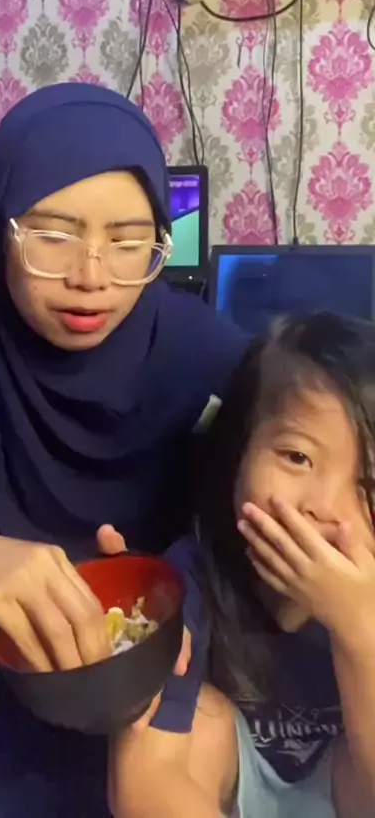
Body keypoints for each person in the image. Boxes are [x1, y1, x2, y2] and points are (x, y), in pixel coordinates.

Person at [0, 82, 249, 817]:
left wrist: (185, 573)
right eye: (53, 235)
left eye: (128, 241)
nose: (92, 277)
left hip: (142, 701)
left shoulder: (202, 354)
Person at [112, 312, 375, 818]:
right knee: (201, 720)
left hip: (352, 789)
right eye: (296, 457)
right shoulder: (189, 576)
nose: (324, 507)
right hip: (227, 796)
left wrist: (359, 629)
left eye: (369, 484)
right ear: (237, 455)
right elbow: (143, 783)